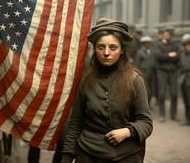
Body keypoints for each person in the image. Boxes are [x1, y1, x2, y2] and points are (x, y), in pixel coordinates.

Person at [61, 18, 153, 163]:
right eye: (101, 47)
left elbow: (146, 122)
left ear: (122, 50)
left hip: (126, 156)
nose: (106, 53)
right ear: (95, 49)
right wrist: (67, 156)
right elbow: (76, 123)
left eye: (113, 47)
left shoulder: (134, 80)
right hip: (87, 155)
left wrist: (127, 131)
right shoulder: (86, 82)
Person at [154, 27, 180, 122]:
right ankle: (162, 115)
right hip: (162, 71)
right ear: (163, 35)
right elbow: (158, 56)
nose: (167, 35)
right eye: (166, 34)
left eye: (169, 34)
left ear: (171, 35)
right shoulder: (158, 45)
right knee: (161, 94)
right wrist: (169, 55)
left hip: (173, 71)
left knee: (174, 93)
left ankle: (174, 114)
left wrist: (165, 56)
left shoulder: (175, 45)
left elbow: (178, 57)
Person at [135, 36, 156, 106]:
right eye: (147, 43)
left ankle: (148, 105)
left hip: (151, 74)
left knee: (151, 90)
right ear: (144, 44)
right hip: (143, 74)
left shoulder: (152, 51)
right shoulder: (139, 52)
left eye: (149, 43)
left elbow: (153, 61)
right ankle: (144, 105)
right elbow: (137, 65)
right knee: (145, 91)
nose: (149, 44)